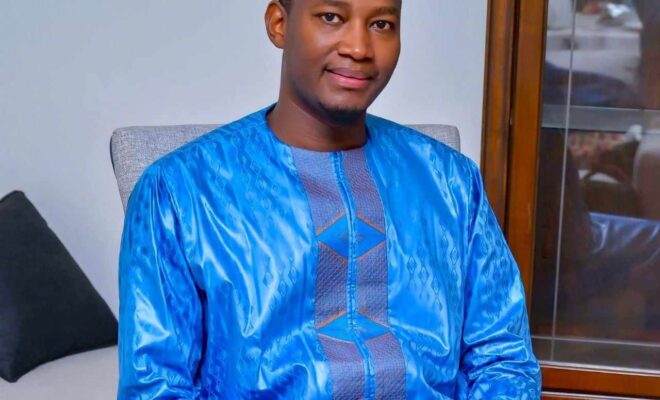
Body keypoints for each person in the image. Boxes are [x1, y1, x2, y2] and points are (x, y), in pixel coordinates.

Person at [117, 0, 541, 398]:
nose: (359, 47)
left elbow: (503, 358)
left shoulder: (450, 182)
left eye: (381, 24)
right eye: (331, 17)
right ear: (279, 24)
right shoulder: (181, 191)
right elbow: (157, 386)